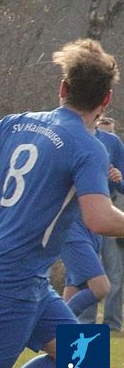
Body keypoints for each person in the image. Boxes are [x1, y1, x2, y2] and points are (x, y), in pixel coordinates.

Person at [0, 38, 124, 368]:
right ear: (105, 100)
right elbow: (99, 219)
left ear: (63, 88)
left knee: (84, 356)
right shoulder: (88, 148)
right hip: (9, 277)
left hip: (27, 277)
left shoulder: (18, 123)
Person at [62, 115, 124, 323]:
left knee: (75, 284)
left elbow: (122, 184)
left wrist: (118, 179)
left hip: (101, 218)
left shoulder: (112, 142)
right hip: (70, 220)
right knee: (99, 286)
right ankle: (53, 326)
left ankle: (62, 334)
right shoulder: (66, 137)